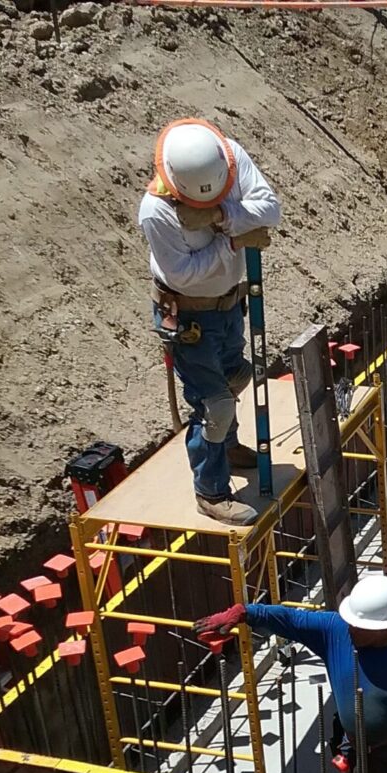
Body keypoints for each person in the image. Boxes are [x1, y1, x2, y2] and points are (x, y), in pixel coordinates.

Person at [194, 575, 387, 773]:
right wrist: (244, 613)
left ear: (384, 628)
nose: (351, 628)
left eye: (359, 625)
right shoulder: (335, 629)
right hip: (356, 748)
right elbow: (290, 619)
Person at [138, 117, 282, 526]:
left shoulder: (230, 158)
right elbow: (183, 274)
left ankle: (227, 445)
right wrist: (235, 237)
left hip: (226, 304)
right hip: (189, 314)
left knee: (236, 375)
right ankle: (211, 491)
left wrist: (221, 214)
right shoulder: (156, 211)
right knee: (214, 404)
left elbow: (270, 209)